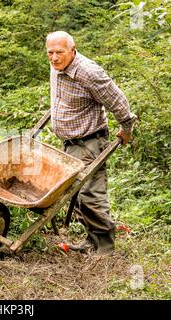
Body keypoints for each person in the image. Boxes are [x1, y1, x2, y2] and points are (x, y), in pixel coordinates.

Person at [46, 31, 137, 254]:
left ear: (72, 49)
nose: (54, 57)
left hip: (89, 142)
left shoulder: (88, 72)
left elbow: (117, 100)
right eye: (50, 52)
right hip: (70, 142)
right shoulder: (57, 66)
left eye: (60, 52)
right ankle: (91, 240)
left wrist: (126, 128)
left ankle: (105, 251)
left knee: (90, 196)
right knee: (75, 195)